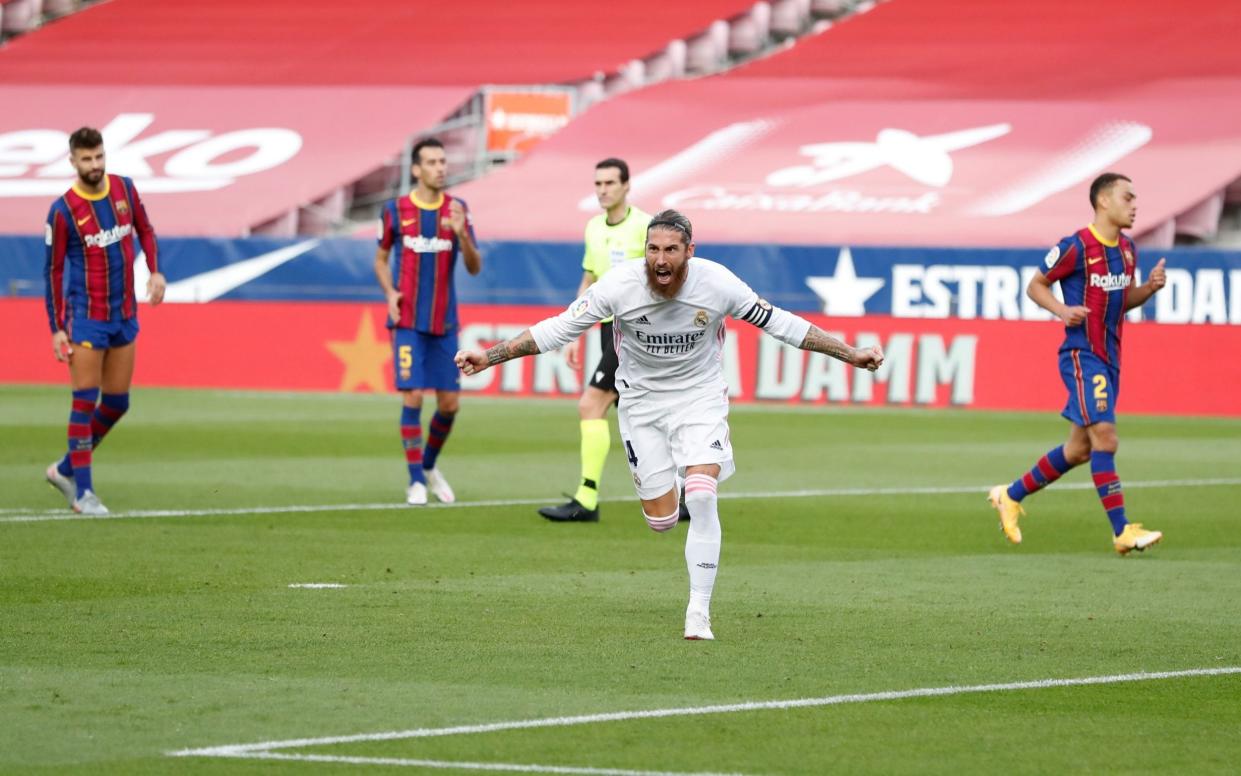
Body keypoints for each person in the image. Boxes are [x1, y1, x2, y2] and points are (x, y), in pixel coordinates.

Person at [456, 209, 883, 640]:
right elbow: (558, 330)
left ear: (689, 252)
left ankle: (699, 610)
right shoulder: (621, 286)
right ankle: (677, 479)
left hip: (699, 399)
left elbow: (781, 324)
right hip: (640, 404)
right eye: (653, 250)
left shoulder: (717, 283)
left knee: (700, 495)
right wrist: (490, 356)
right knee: (660, 521)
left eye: (671, 250)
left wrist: (849, 353)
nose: (660, 260)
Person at [988, 172, 1167, 555]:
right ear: (1103, 201)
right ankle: (1122, 531)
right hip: (1082, 355)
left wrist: (1148, 289)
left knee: (1080, 449)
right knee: (1107, 437)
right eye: (1127, 197)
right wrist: (1061, 310)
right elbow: (1036, 284)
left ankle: (1010, 495)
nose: (1135, 204)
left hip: (1111, 357)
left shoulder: (1129, 250)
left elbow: (1120, 300)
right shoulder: (1076, 246)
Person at [42, 126, 167, 516]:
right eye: (86, 159)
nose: (94, 165)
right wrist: (57, 328)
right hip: (86, 319)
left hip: (124, 313)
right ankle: (84, 493)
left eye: (99, 157)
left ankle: (63, 469)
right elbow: (53, 272)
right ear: (73, 161)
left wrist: (155, 272)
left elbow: (145, 230)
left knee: (116, 403)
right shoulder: (63, 211)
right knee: (84, 402)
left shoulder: (124, 190)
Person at [538, 158, 652, 523]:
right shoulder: (592, 227)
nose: (602, 190)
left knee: (591, 406)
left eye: (609, 183)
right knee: (638, 414)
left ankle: (586, 499)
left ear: (626, 186)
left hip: (634, 331)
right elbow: (589, 279)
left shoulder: (645, 226)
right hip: (607, 328)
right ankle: (677, 495)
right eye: (598, 183)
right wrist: (574, 329)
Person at [374, 137, 482, 506]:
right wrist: (390, 292)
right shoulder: (395, 211)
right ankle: (415, 481)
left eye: (443, 161)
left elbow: (474, 265)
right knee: (413, 394)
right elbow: (380, 259)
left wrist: (462, 234)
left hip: (445, 324)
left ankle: (429, 466)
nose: (440, 167)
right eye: (432, 162)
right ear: (416, 169)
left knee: (450, 404)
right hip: (407, 322)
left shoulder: (458, 209)